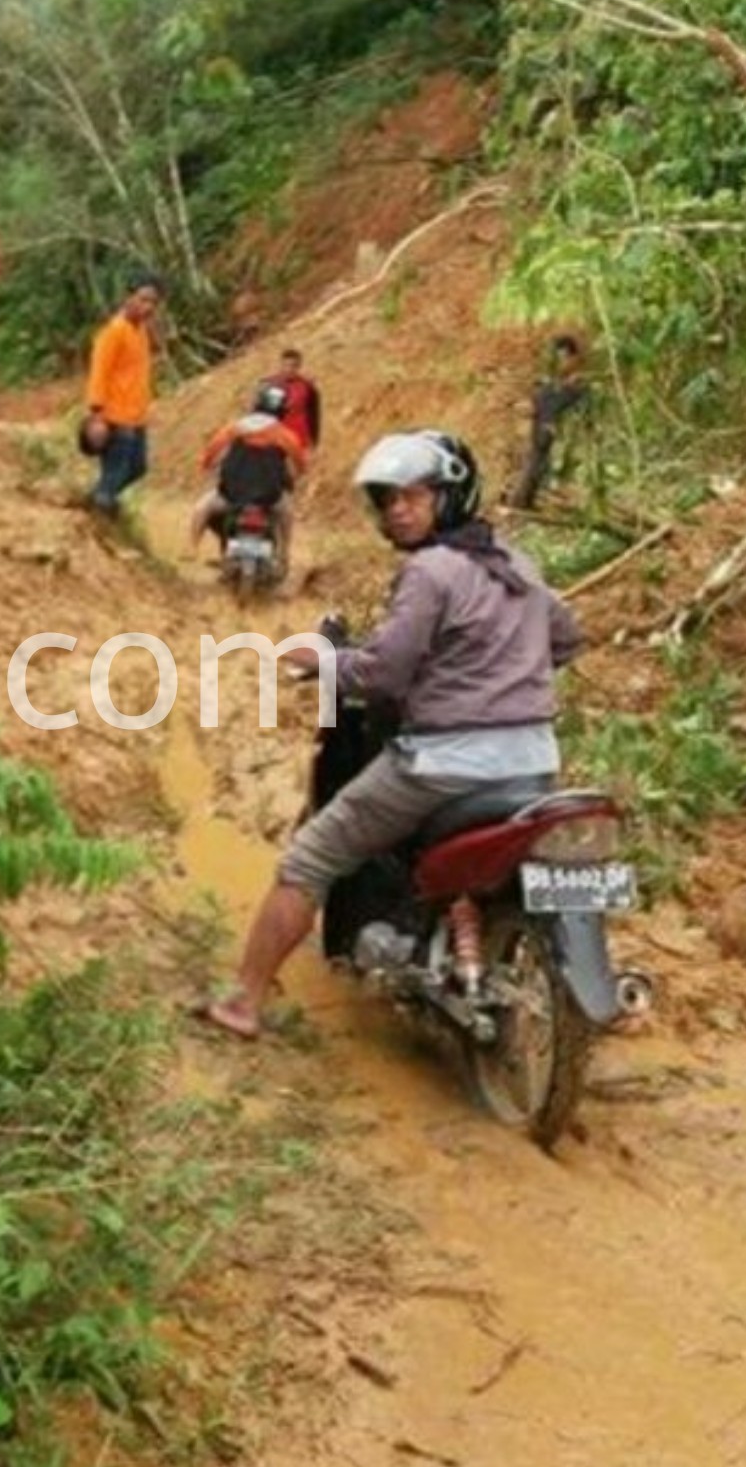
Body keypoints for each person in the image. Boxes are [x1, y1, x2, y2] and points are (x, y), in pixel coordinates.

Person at [201, 430, 582, 1038]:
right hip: (533, 763)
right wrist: (503, 672)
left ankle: (242, 1000)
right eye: (386, 500)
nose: (398, 510)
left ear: (450, 495)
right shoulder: (516, 564)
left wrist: (319, 661)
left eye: (413, 496)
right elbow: (564, 640)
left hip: (441, 765)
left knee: (310, 856)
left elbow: (383, 672)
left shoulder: (432, 571)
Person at [190, 381, 309, 569]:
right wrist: (295, 477)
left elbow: (211, 453)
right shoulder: (285, 436)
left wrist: (207, 466)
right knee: (287, 515)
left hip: (231, 495)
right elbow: (301, 466)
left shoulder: (235, 428)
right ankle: (284, 555)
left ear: (256, 404)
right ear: (282, 411)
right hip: (270, 498)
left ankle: (192, 549)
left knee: (201, 509)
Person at [82, 274, 163, 514]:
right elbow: (99, 371)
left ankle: (97, 499)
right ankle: (101, 508)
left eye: (153, 303)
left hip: (136, 416)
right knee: (116, 470)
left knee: (138, 467)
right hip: (115, 417)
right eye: (143, 299)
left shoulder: (139, 331)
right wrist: (97, 414)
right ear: (128, 297)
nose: (147, 307)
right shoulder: (114, 331)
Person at [512, 333, 586, 509]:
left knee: (539, 462)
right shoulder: (553, 383)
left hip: (553, 426)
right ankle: (522, 501)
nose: (562, 363)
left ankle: (524, 500)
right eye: (560, 358)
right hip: (545, 425)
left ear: (573, 357)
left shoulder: (573, 382)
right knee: (536, 461)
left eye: (564, 358)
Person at [273, 347, 322, 458]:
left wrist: (314, 441)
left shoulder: (307, 387)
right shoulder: (274, 386)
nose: (289, 369)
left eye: (293, 366)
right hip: (279, 441)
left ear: (299, 367)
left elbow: (315, 415)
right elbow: (266, 414)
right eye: (286, 365)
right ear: (281, 366)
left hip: (302, 441)